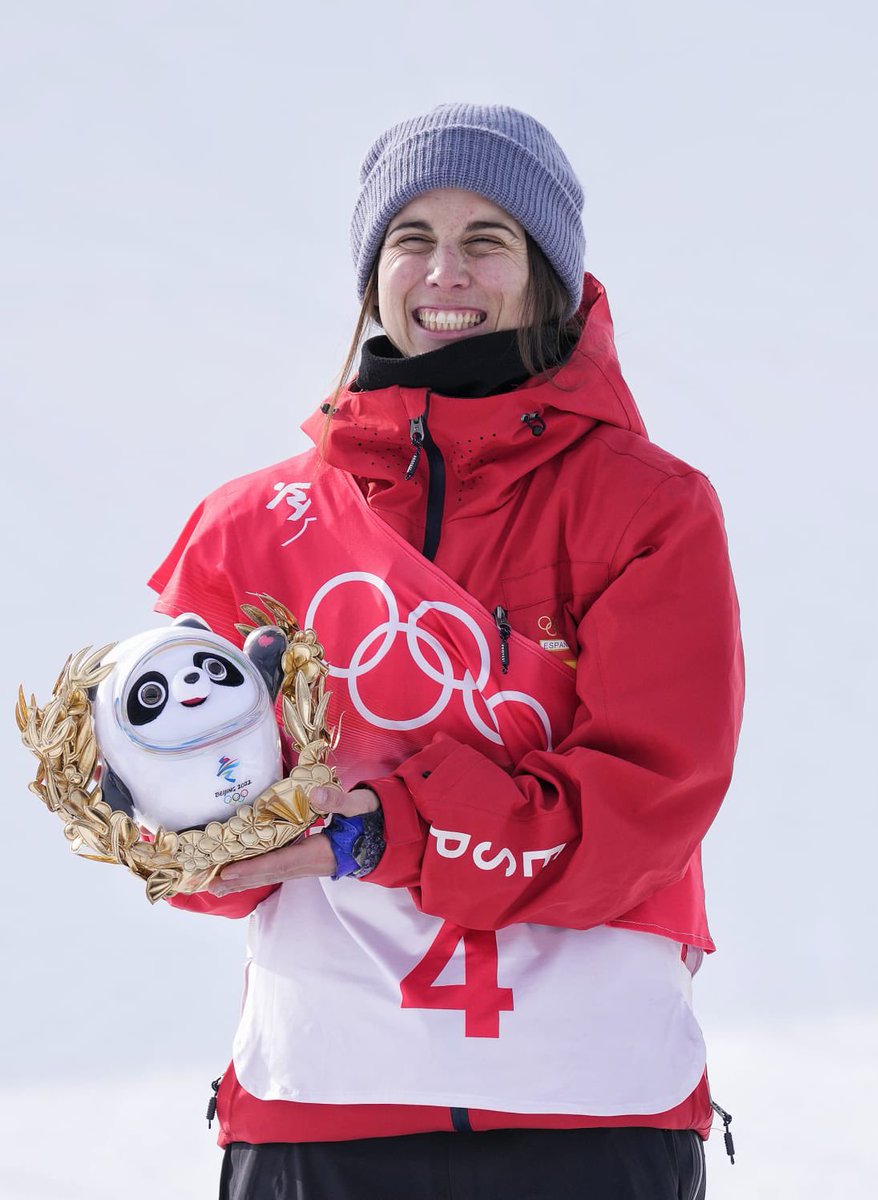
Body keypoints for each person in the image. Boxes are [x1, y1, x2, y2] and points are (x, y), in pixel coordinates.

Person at [150, 103, 744, 1200]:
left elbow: (646, 808)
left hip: (586, 1115)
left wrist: (383, 834)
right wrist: (161, 802)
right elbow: (210, 864)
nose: (444, 270)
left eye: (488, 239)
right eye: (411, 238)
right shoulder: (248, 526)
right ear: (371, 272)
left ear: (546, 275)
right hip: (319, 1108)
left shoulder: (647, 510)